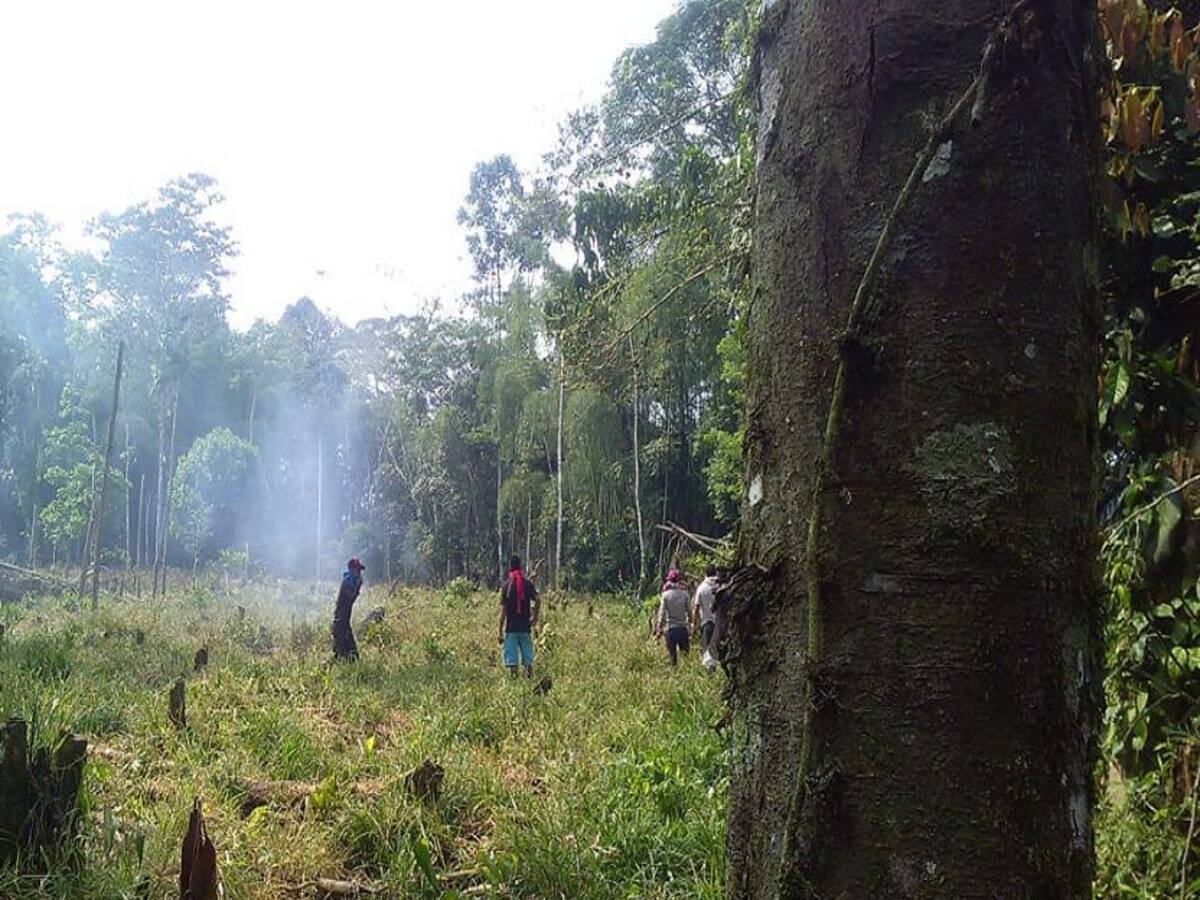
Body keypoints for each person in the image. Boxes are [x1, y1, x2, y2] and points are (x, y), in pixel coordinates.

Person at [498, 554, 539, 678]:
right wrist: (535, 618)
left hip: (511, 629)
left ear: (510, 567)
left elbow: (503, 612)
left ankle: (515, 684)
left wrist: (499, 631)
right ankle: (529, 682)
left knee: (512, 662)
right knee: (528, 661)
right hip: (525, 628)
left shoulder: (506, 586)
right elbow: (538, 600)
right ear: (520, 566)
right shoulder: (527, 584)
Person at [654, 569, 691, 666]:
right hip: (682, 629)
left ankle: (674, 674)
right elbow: (690, 612)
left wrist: (659, 629)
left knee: (672, 657)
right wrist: (691, 625)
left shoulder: (665, 595)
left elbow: (661, 613)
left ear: (669, 580)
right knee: (686, 656)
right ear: (679, 580)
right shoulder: (685, 594)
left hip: (670, 629)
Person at [331, 557, 365, 660]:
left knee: (350, 655)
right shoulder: (347, 582)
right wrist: (357, 587)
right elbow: (350, 598)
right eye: (357, 570)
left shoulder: (351, 581)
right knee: (345, 655)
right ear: (352, 569)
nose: (359, 573)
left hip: (344, 621)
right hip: (340, 621)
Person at [692, 565, 719, 653]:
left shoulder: (701, 588)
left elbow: (696, 609)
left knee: (707, 652)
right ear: (716, 573)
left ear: (705, 574)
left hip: (707, 624)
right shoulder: (721, 585)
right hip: (721, 624)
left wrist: (694, 625)